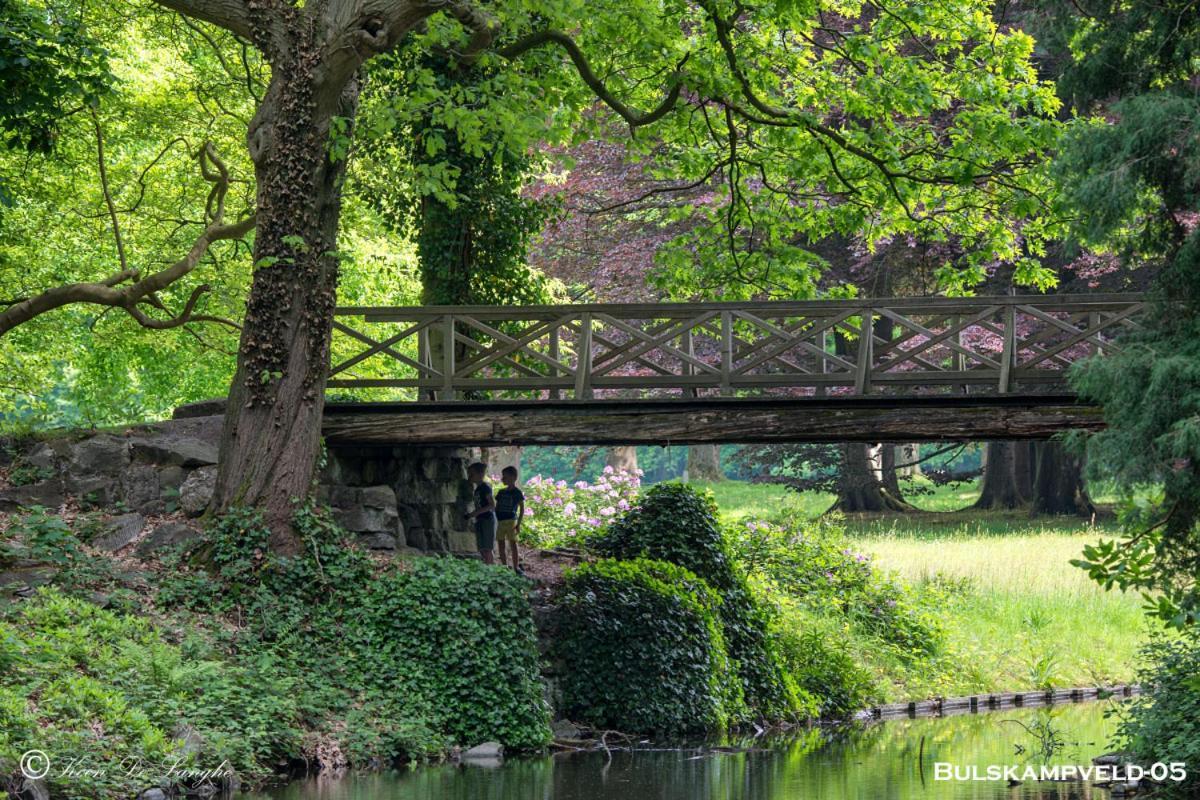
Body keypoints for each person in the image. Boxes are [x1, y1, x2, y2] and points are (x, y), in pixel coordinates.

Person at [495, 465, 526, 574]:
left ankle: (516, 567)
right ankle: (504, 566)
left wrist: (519, 524)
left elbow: (522, 508)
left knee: (513, 544)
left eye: (505, 477)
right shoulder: (501, 492)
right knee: (501, 544)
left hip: (511, 521)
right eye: (503, 477)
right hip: (500, 521)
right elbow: (496, 507)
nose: (502, 479)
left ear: (513, 478)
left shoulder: (517, 492)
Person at [464, 462, 496, 564]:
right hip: (480, 520)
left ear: (480, 474)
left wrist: (474, 513)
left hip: (487, 519)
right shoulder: (477, 489)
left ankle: (490, 570)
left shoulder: (485, 488)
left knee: (487, 549)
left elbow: (492, 505)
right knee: (482, 548)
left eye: (471, 474)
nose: (469, 477)